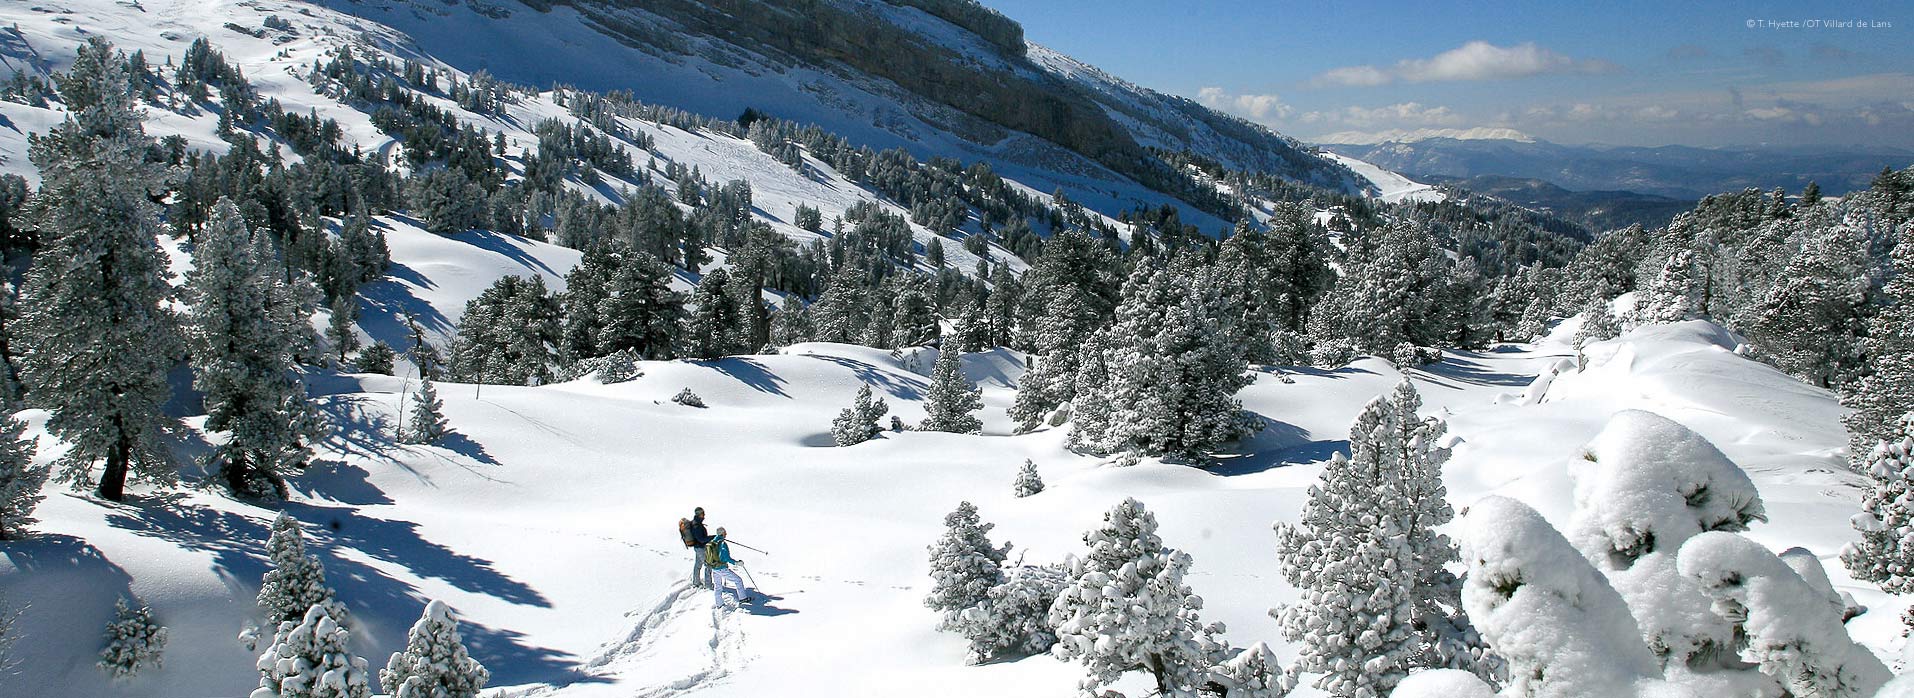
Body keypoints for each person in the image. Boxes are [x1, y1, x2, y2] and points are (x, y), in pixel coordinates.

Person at [706, 526, 754, 609]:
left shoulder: (712, 542)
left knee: (718, 586)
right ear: (722, 533)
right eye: (725, 533)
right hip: (721, 568)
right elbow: (725, 557)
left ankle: (719, 604)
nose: (726, 534)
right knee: (738, 580)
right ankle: (742, 598)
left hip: (714, 568)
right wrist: (736, 563)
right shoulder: (722, 543)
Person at [683, 507, 712, 589]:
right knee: (708, 565)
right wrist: (712, 537)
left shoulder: (695, 523)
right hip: (700, 548)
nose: (704, 515)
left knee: (698, 565)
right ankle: (708, 585)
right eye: (703, 514)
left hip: (698, 547)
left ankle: (696, 582)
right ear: (699, 514)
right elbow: (701, 539)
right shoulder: (697, 525)